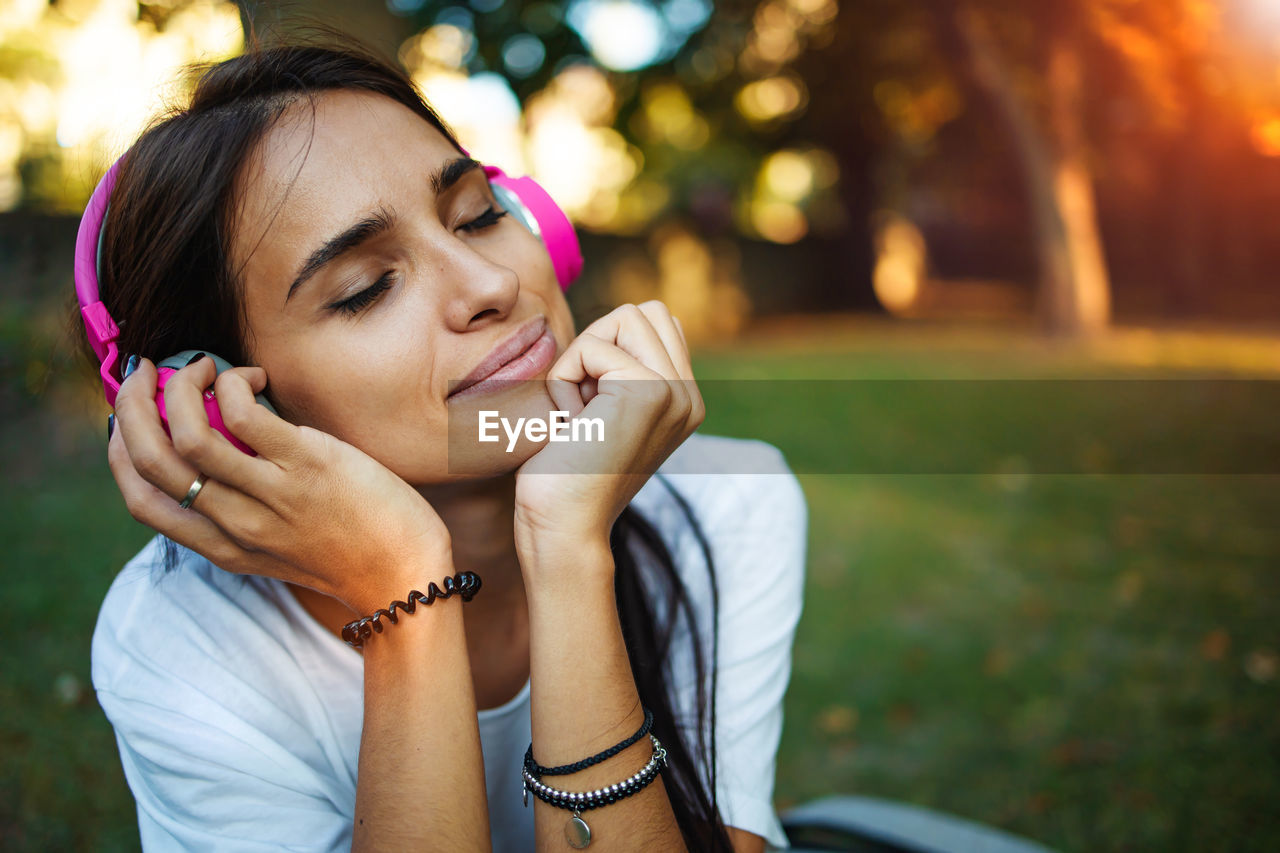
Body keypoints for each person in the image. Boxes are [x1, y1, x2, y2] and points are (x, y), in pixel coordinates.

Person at [79, 35, 807, 852]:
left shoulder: (728, 501)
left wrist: (568, 549)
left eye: (479, 216)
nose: (491, 284)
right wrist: (405, 594)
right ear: (214, 407)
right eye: (366, 288)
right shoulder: (184, 650)